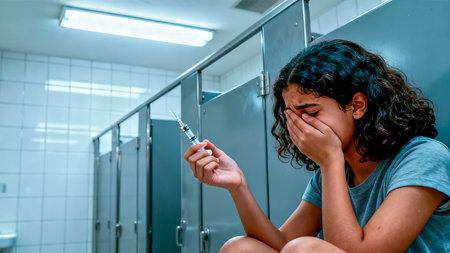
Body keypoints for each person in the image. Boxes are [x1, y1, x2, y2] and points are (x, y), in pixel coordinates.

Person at [184, 39, 450, 252]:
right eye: (290, 115)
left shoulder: (423, 157)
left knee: (304, 249)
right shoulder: (331, 174)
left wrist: (331, 160)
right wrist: (237, 185)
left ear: (356, 106)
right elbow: (280, 244)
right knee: (239, 248)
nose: (299, 126)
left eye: (310, 111)